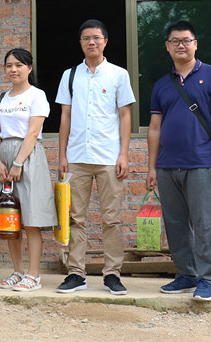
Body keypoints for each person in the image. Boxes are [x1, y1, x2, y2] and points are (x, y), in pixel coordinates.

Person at [145, 20, 211, 302]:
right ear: (167, 46)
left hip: (202, 162)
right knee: (176, 223)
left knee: (205, 224)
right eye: (175, 41)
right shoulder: (161, 84)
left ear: (195, 44)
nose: (180, 45)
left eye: (186, 40)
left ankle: (207, 279)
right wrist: (151, 167)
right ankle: (186, 274)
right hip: (167, 165)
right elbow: (154, 128)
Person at [55, 19, 135, 295]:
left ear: (105, 41)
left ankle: (112, 274)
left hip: (108, 157)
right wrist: (62, 154)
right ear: (80, 43)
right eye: (86, 38)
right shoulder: (70, 75)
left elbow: (125, 115)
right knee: (75, 218)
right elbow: (65, 116)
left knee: (111, 219)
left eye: (96, 37)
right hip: (76, 156)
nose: (91, 42)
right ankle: (76, 273)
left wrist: (124, 154)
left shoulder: (118, 74)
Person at [0, 48, 58, 292]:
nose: (13, 69)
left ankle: (34, 275)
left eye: (19, 65)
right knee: (9, 217)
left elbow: (33, 132)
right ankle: (17, 271)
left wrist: (18, 163)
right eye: (9, 65)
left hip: (28, 156)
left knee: (31, 219)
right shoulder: (1, 98)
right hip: (3, 156)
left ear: (29, 68)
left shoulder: (37, 95)